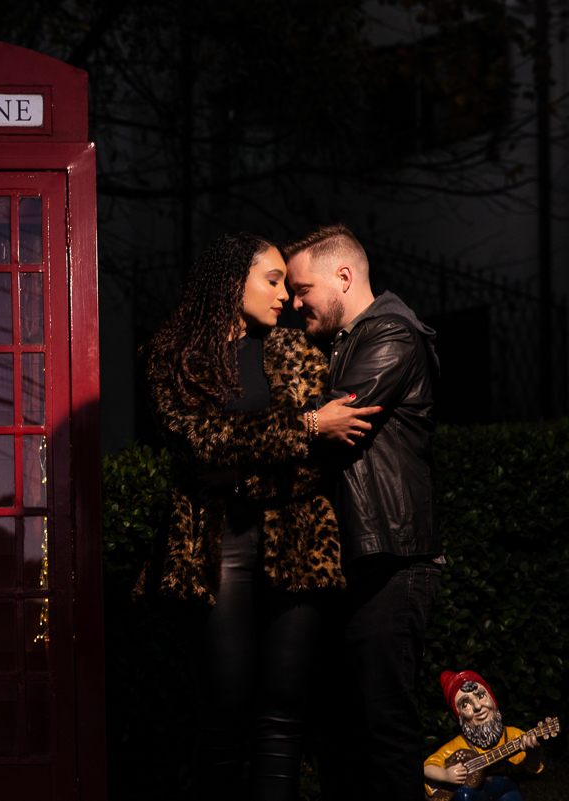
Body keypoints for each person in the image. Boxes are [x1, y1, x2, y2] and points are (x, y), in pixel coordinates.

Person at [139, 232, 378, 801]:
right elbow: (200, 440)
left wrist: (246, 470)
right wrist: (306, 426)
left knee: (283, 714)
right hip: (211, 546)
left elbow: (314, 462)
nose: (285, 297)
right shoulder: (173, 355)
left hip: (297, 543)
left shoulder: (296, 351)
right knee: (224, 710)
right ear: (232, 281)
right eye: (272, 281)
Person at [283, 223, 443, 801]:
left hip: (391, 559)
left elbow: (337, 416)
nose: (293, 303)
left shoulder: (391, 333)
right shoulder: (343, 341)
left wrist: (286, 423)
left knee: (383, 728)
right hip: (360, 558)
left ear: (344, 277)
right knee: (343, 733)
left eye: (302, 289)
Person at [423, 670, 547, 801]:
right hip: (476, 796)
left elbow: (532, 769)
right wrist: (445, 775)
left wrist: (533, 752)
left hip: (507, 793)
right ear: (459, 716)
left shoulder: (513, 736)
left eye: (481, 696)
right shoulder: (459, 745)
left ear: (492, 699)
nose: (478, 706)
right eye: (465, 705)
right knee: (464, 795)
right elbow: (426, 767)